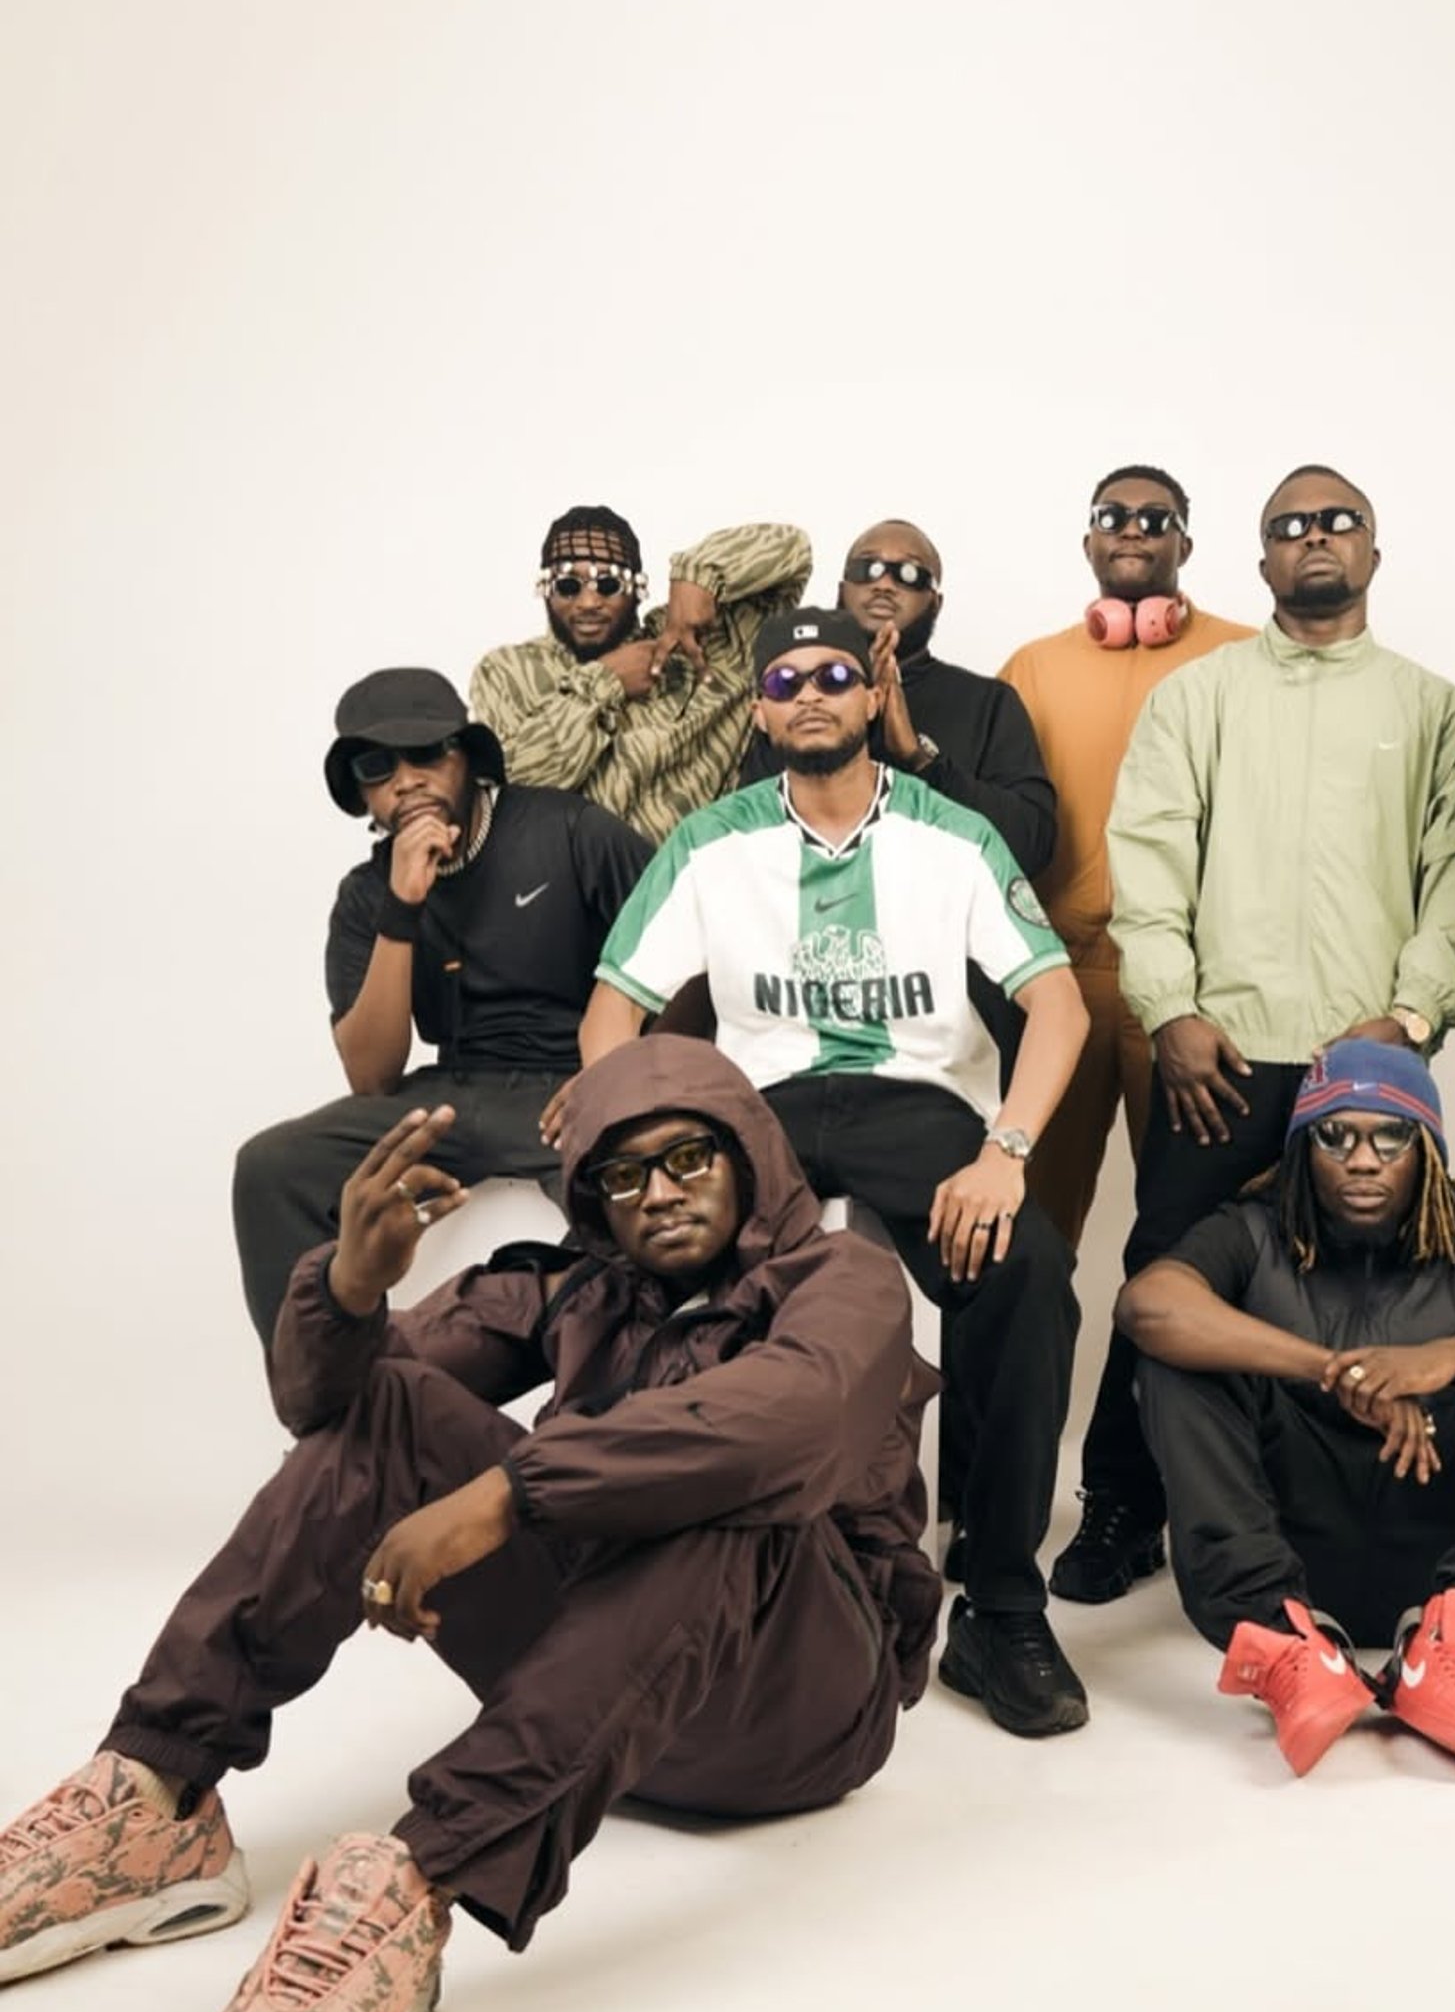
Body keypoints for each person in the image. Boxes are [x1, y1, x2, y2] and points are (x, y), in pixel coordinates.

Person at [0, 1038, 936, 2012]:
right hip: (605, 1694)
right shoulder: (569, 1289)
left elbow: (799, 1421)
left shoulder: (845, 1280)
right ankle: (155, 1798)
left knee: (737, 1478)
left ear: (753, 1161)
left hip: (795, 1709)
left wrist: (508, 1496)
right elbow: (333, 1415)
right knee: (394, 1404)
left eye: (691, 1158)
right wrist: (349, 1289)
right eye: (624, 1177)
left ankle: (412, 1893)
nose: (662, 1194)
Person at [581, 607, 1094, 1739]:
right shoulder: (711, 840)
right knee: (648, 1273)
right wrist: (629, 1138)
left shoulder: (954, 836)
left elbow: (1057, 1004)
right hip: (756, 1111)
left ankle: (1001, 1603)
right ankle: (656, 1569)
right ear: (762, 710)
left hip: (920, 1109)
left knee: (1027, 1271)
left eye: (833, 675)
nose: (809, 693)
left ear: (872, 696)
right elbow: (613, 1007)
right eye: (784, 678)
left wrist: (1006, 1154)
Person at [1053, 463, 1455, 1604]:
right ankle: (1125, 1500)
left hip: (1371, 1065)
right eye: (1289, 527)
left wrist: (1406, 1019)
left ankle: (1365, 1510)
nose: (1315, 538)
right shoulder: (1199, 698)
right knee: (1167, 1271)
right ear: (1258, 562)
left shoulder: (1433, 710)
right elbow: (1148, 864)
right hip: (1223, 1053)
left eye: (1339, 520)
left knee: (1382, 1282)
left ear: (1373, 550)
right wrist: (1172, 1011)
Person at [1118, 1042, 1455, 1775]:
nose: (1362, 1159)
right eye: (1335, 1137)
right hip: (1287, 1555)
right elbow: (1148, 1304)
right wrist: (1337, 1374)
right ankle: (1289, 1650)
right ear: (1302, 1151)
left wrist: (1444, 1360)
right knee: (1176, 1359)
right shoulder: (1251, 1230)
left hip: (1443, 1564)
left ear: (1427, 1149)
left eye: (1389, 1136)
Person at [230, 669, 652, 1345]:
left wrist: (617, 1074)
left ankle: (614, 1405)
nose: (406, 779)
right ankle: (322, 1400)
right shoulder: (368, 895)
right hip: (453, 1092)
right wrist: (403, 907)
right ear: (361, 791)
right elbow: (372, 1076)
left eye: (426, 753)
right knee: (271, 1166)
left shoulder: (567, 828)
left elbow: (679, 955)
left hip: (573, 1082)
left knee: (628, 1205)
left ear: (466, 758)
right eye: (378, 765)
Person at [999, 467, 1252, 1253]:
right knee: (1026, 1226)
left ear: (1185, 541)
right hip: (1059, 978)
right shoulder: (1033, 666)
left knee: (1200, 1233)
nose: (1134, 529)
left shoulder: (1245, 657)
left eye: (1156, 517)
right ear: (1089, 541)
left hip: (1191, 985)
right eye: (1115, 515)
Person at [469, 502, 812, 843]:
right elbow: (512, 795)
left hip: (689, 879)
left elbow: (794, 551)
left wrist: (697, 577)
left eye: (608, 585)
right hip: (560, 887)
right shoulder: (508, 672)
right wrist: (604, 681)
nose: (588, 602)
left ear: (637, 588)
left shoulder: (707, 643)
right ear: (545, 589)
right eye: (568, 585)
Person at [742, 517, 1056, 879]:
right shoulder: (791, 694)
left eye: (909, 574)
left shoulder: (989, 702)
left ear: (935, 602)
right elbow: (750, 834)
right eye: (867, 568)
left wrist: (919, 759)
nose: (884, 583)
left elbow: (1032, 846)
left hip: (941, 924)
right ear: (842, 589)